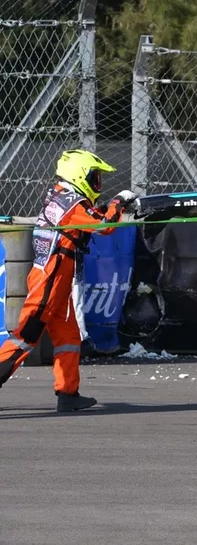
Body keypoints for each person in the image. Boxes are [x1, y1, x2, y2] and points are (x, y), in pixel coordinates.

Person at [0, 149, 136, 412]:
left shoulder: (65, 196)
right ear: (80, 175)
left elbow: (91, 218)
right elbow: (104, 226)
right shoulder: (71, 202)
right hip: (51, 278)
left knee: (68, 336)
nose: (98, 183)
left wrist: (115, 208)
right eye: (95, 177)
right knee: (26, 336)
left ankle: (68, 393)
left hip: (57, 277)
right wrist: (119, 202)